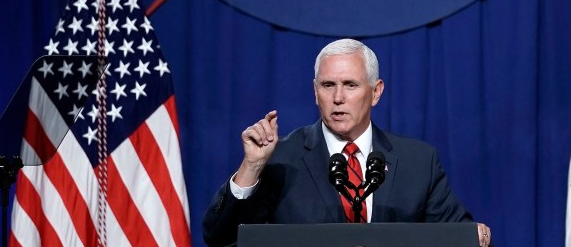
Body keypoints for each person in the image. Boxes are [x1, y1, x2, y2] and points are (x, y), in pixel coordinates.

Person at [202, 39, 492, 247]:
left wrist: (476, 236)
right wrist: (251, 167)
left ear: (376, 92)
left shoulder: (418, 161)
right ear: (316, 92)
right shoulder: (282, 158)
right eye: (328, 86)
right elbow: (221, 237)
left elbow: (457, 236)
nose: (338, 98)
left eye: (350, 85)